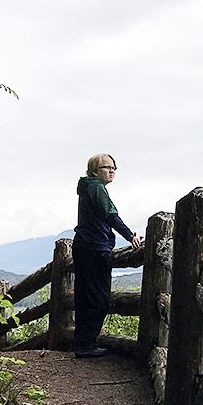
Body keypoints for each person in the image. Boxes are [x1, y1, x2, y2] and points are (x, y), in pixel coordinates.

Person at [72, 153, 142, 358]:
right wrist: (130, 236)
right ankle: (87, 345)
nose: (111, 171)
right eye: (106, 167)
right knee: (100, 299)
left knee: (84, 297)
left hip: (83, 246)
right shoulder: (96, 187)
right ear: (95, 170)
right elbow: (110, 215)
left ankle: (81, 343)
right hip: (95, 247)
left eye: (114, 167)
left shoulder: (87, 188)